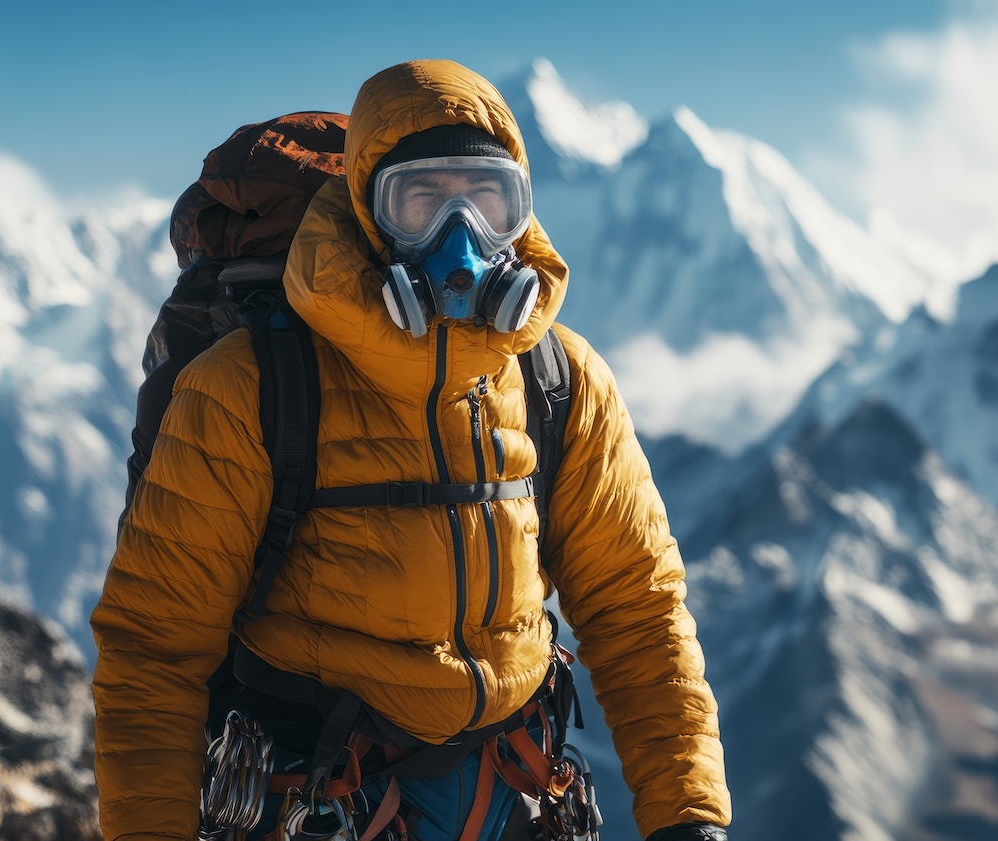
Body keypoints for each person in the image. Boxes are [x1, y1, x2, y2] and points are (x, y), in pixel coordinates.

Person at [91, 59, 732, 841]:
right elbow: (153, 650)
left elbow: (640, 613)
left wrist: (689, 816)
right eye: (420, 199)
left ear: (520, 216)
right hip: (320, 807)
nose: (458, 237)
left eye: (488, 200)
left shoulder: (558, 381)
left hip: (517, 797)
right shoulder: (248, 387)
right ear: (367, 212)